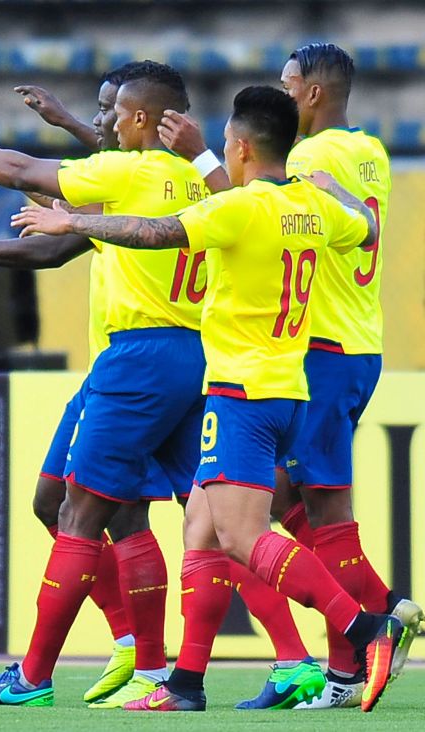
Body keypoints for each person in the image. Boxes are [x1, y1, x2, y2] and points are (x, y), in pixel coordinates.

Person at [12, 85, 411, 714]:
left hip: (240, 392)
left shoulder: (241, 208)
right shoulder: (312, 204)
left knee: (244, 537)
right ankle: (185, 685)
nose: (222, 147)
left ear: (244, 147)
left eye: (226, 141)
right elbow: (363, 226)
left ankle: (368, 628)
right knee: (202, 529)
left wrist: (72, 219)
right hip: (291, 390)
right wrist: (326, 190)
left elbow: (155, 230)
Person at [0, 60, 209, 708]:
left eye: (115, 112)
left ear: (144, 120)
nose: (107, 123)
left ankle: (36, 677)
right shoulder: (201, 180)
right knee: (172, 514)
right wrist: (69, 127)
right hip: (185, 352)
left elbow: (22, 175)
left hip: (136, 356)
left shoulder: (130, 173)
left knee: (84, 512)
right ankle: (151, 663)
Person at [160, 42, 423, 709]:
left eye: (286, 83)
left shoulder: (304, 160)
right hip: (359, 341)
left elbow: (249, 217)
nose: (280, 93)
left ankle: (366, 635)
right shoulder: (372, 152)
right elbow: (358, 230)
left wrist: (199, 156)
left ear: (309, 93)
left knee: (291, 517)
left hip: (314, 352)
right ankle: (344, 638)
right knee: (250, 511)